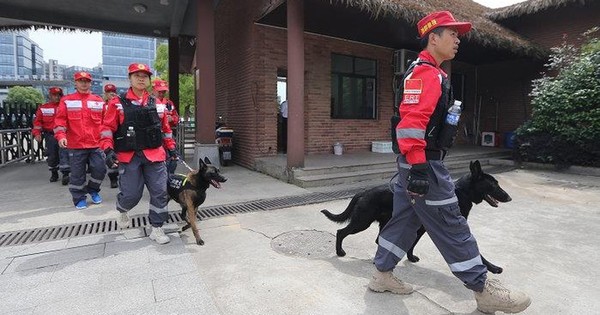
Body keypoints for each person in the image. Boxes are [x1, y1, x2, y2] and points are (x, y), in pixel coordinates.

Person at [368, 11, 531, 314]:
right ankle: (483, 288)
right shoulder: (425, 74)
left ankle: (381, 274)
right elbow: (410, 124)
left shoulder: (434, 73)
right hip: (423, 165)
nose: (458, 40)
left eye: (459, 35)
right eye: (453, 34)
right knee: (450, 220)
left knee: (405, 219)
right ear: (434, 37)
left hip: (417, 162)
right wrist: (418, 166)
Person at [100, 63, 179, 245]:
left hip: (155, 155)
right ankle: (122, 209)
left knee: (160, 191)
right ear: (130, 78)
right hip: (129, 156)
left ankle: (157, 228)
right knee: (132, 195)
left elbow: (165, 130)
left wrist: (172, 147)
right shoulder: (117, 103)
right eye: (137, 75)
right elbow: (106, 129)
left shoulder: (158, 104)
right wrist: (108, 149)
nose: (142, 78)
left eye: (145, 75)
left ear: (149, 80)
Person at [54, 72, 106, 209]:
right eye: (81, 80)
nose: (84, 83)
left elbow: (105, 122)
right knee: (77, 174)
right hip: (76, 145)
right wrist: (61, 136)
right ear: (75, 83)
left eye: (87, 81)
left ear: (91, 83)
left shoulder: (98, 101)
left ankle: (93, 189)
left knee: (100, 170)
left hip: (96, 144)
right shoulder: (67, 100)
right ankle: (78, 198)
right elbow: (60, 121)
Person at [32, 87, 70, 184]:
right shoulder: (44, 108)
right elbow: (37, 123)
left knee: (64, 154)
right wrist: (37, 133)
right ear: (50, 96)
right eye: (54, 95)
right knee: (52, 155)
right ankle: (54, 172)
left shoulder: (66, 107)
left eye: (59, 95)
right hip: (50, 135)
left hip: (64, 135)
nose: (57, 97)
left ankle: (66, 174)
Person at [152, 79, 180, 173]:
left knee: (173, 160)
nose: (161, 94)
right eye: (159, 91)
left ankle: (169, 177)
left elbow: (176, 117)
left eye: (163, 92)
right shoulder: (148, 102)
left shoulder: (169, 103)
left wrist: (172, 119)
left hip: (168, 135)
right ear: (153, 90)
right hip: (154, 137)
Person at [103, 83, 119, 188]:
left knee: (119, 157)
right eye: (109, 92)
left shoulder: (119, 104)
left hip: (118, 135)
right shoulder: (101, 106)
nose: (111, 94)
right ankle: (113, 178)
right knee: (109, 157)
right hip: (106, 135)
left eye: (113, 91)